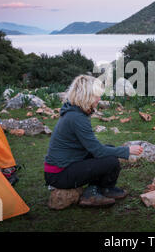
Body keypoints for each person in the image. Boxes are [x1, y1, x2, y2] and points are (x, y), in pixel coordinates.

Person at [44, 74, 143, 207]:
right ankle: (96, 192)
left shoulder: (74, 112)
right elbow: (98, 151)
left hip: (64, 166)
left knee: (109, 149)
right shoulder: (76, 117)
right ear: (86, 95)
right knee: (110, 161)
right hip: (59, 174)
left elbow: (94, 148)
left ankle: (100, 189)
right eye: (96, 95)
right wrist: (127, 150)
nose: (99, 99)